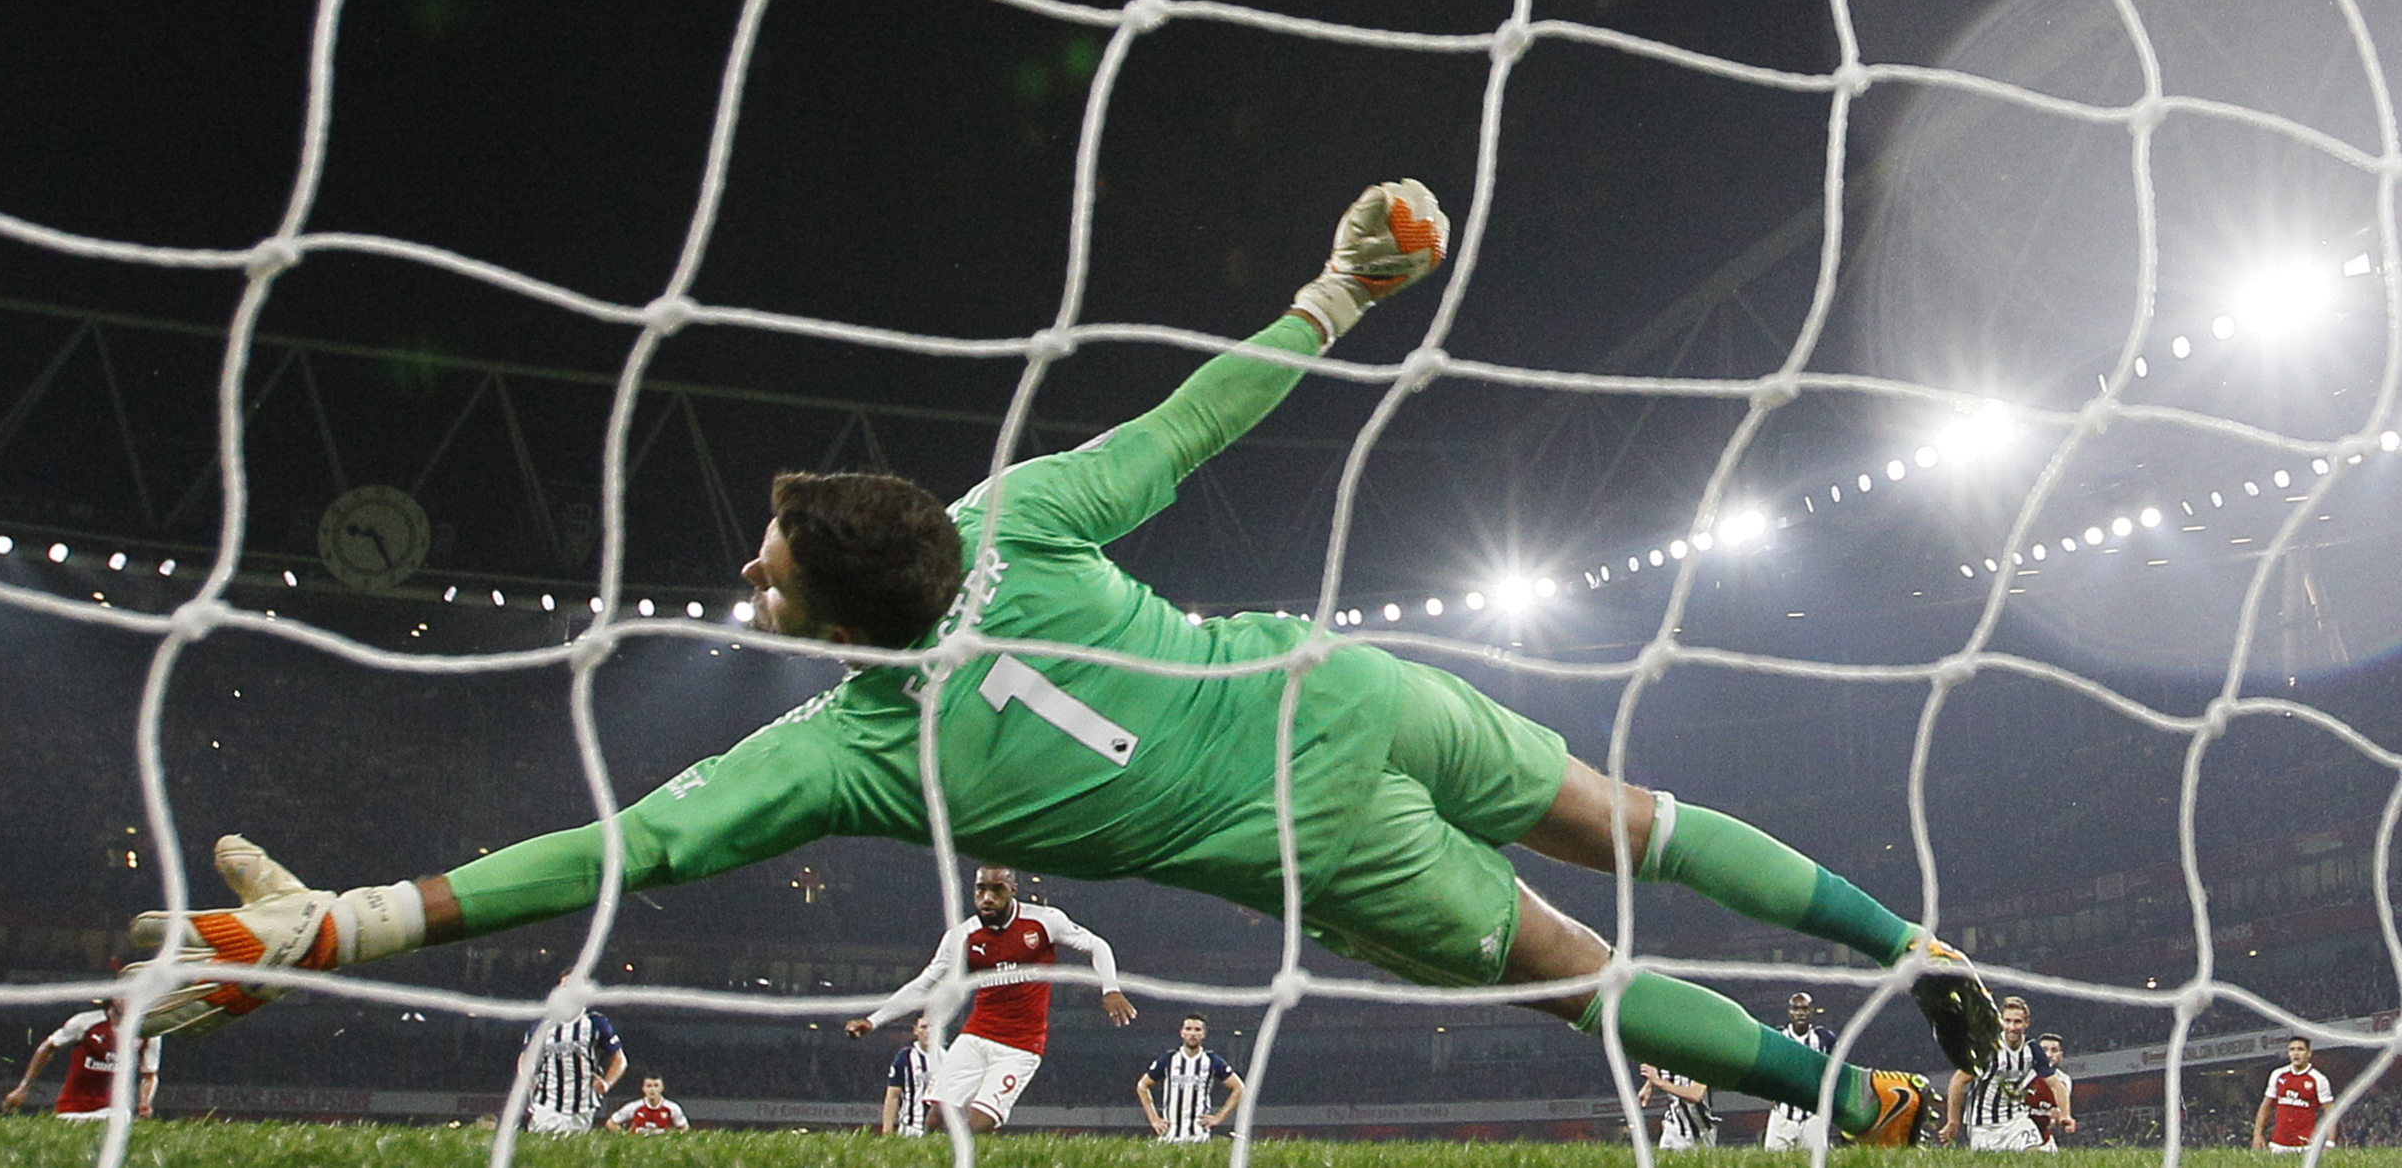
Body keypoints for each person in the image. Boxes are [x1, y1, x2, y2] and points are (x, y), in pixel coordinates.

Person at [124, 180, 1994, 1148]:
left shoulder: (854, 748)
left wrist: (353, 920)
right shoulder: (1011, 513)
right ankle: (1913, 944)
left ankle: (1853, 1102)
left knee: (1585, 979)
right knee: (1635, 818)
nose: (746, 568)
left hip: (1314, 825)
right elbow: (1196, 418)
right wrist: (1343, 286)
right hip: (1332, 679)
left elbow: (601, 854)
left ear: (839, 613)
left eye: (766, 558)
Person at [842, 864, 1132, 1132]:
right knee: (936, 1118)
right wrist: (873, 1020)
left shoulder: (1044, 921)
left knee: (975, 1125)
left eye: (997, 890)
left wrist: (1111, 989)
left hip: (1020, 1045)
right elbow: (924, 983)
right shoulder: (963, 936)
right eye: (981, 889)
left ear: (1012, 891)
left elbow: (1097, 945)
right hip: (976, 1035)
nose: (987, 898)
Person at [1, 999, 161, 1120]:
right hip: (72, 1109)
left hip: (115, 1112)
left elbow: (149, 1073)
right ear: (112, 996)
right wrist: (23, 1088)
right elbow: (47, 1047)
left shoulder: (149, 1031)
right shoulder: (85, 1022)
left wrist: (145, 1102)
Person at [1941, 994, 2050, 1150]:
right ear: (2001, 1022)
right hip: (1984, 1126)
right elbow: (1957, 1081)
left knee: (2036, 1157)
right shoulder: (1988, 1049)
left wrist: (2066, 1114)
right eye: (2008, 1021)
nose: (2012, 1027)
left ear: (2026, 1023)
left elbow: (2055, 1084)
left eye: (2017, 1021)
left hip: (2016, 1120)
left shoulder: (2031, 1049)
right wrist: (1953, 1121)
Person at [521, 985, 625, 1136]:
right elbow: (525, 1058)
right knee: (543, 1153)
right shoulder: (543, 1024)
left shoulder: (596, 1022)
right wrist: (527, 1078)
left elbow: (619, 1059)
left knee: (574, 1154)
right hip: (546, 1103)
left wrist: (606, 1083)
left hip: (583, 1105)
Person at [1137, 1012, 1243, 1144]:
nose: (1192, 1033)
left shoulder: (1212, 1060)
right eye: (1188, 1029)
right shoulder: (1168, 1059)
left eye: (1197, 1030)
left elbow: (1239, 1087)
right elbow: (1142, 1086)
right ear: (1181, 1033)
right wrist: (1153, 1119)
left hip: (1199, 1137)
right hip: (1170, 1136)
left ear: (1204, 1034)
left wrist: (1219, 1118)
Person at [1760, 991, 1835, 1150]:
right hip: (1783, 1112)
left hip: (1813, 1114)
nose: (1800, 1013)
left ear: (1811, 1011)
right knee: (1772, 1160)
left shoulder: (1824, 1038)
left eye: (1804, 1009)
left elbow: (1835, 1070)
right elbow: (1765, 1068)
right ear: (1789, 1012)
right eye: (1796, 1009)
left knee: (1818, 1160)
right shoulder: (1776, 1037)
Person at [2256, 1036, 2336, 1152]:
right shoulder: (2278, 1075)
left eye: (2300, 1049)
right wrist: (2257, 1134)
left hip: (2306, 1146)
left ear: (2309, 1053)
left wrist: (2330, 1142)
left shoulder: (2318, 1079)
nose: (2296, 1053)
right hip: (2278, 1145)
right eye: (2292, 1050)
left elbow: (2330, 1113)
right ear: (2288, 1053)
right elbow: (2266, 1106)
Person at [879, 1014, 935, 1136]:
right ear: (915, 1031)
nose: (928, 1031)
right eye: (923, 1027)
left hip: (940, 1132)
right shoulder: (905, 1057)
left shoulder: (947, 1056)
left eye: (932, 1026)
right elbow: (893, 1094)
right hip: (910, 1130)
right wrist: (887, 1131)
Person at [1642, 1063, 1717, 1149]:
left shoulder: (1699, 1061)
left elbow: (1695, 1094)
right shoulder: (1668, 1057)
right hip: (1673, 1123)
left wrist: (1658, 1082)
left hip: (1698, 1129)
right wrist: (1648, 1085)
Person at [2030, 1032, 2074, 1147]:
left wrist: (2056, 1119)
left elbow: (2058, 1114)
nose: (2048, 1055)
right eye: (2044, 1050)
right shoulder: (2024, 1074)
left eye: (2054, 1050)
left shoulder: (2064, 1081)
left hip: (2043, 1133)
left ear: (2061, 1055)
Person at [606, 1073, 689, 1133]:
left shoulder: (672, 1108)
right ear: (643, 1088)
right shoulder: (633, 1107)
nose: (652, 1090)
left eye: (656, 1086)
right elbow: (611, 1123)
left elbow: (684, 1128)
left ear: (662, 1088)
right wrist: (625, 1137)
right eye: (649, 1086)